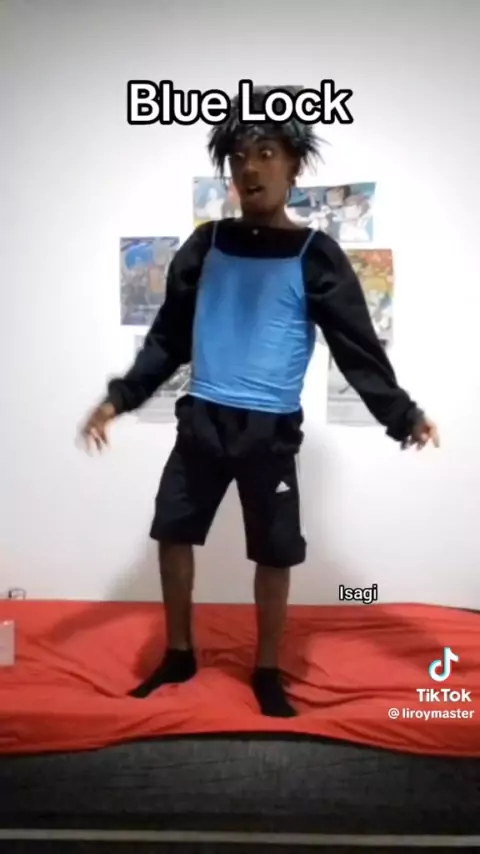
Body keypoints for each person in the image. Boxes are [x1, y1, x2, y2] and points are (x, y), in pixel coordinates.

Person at [80, 86, 440, 718]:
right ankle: (179, 652)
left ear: (293, 165)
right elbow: (167, 338)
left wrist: (403, 415)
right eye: (239, 157)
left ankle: (267, 668)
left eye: (266, 153)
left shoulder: (315, 255)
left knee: (275, 550)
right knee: (172, 531)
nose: (250, 168)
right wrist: (119, 399)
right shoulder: (206, 245)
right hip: (202, 420)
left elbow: (357, 349)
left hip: (269, 431)